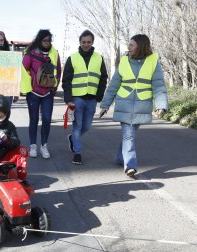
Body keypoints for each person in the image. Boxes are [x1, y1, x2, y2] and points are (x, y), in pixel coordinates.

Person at [100, 34, 168, 177]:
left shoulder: (153, 63)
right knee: (128, 135)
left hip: (142, 107)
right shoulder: (124, 61)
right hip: (124, 105)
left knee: (129, 136)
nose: (128, 48)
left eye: (131, 45)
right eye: (129, 45)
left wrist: (160, 105)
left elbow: (159, 86)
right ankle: (130, 165)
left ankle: (120, 157)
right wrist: (105, 104)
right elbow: (113, 85)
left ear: (140, 47)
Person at [62, 30, 108, 165]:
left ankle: (72, 139)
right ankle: (77, 153)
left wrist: (100, 95)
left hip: (92, 98)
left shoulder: (99, 58)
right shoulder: (73, 58)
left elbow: (103, 78)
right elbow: (66, 80)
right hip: (77, 98)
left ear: (92, 42)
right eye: (83, 42)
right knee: (77, 127)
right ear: (79, 42)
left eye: (88, 42)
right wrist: (68, 98)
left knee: (86, 127)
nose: (86, 45)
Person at [21, 29, 61, 159]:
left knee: (47, 120)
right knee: (34, 120)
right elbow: (22, 69)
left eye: (49, 40)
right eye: (45, 40)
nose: (47, 43)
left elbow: (58, 70)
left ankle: (44, 145)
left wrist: (55, 85)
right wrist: (29, 84)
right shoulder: (31, 54)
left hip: (48, 93)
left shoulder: (54, 53)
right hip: (33, 93)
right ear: (39, 40)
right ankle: (33, 145)